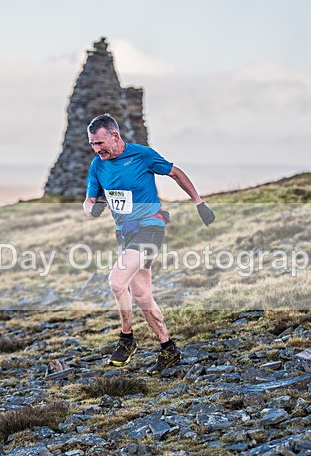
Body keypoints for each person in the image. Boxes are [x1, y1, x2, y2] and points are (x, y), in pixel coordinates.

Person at [82, 113, 216, 375]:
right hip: (124, 234)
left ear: (115, 136)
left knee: (116, 282)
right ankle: (168, 349)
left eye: (100, 143)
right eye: (92, 144)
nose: (96, 149)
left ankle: (126, 339)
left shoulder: (141, 155)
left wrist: (199, 203)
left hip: (151, 228)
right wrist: (92, 210)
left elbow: (175, 173)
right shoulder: (97, 166)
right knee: (142, 296)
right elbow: (89, 201)